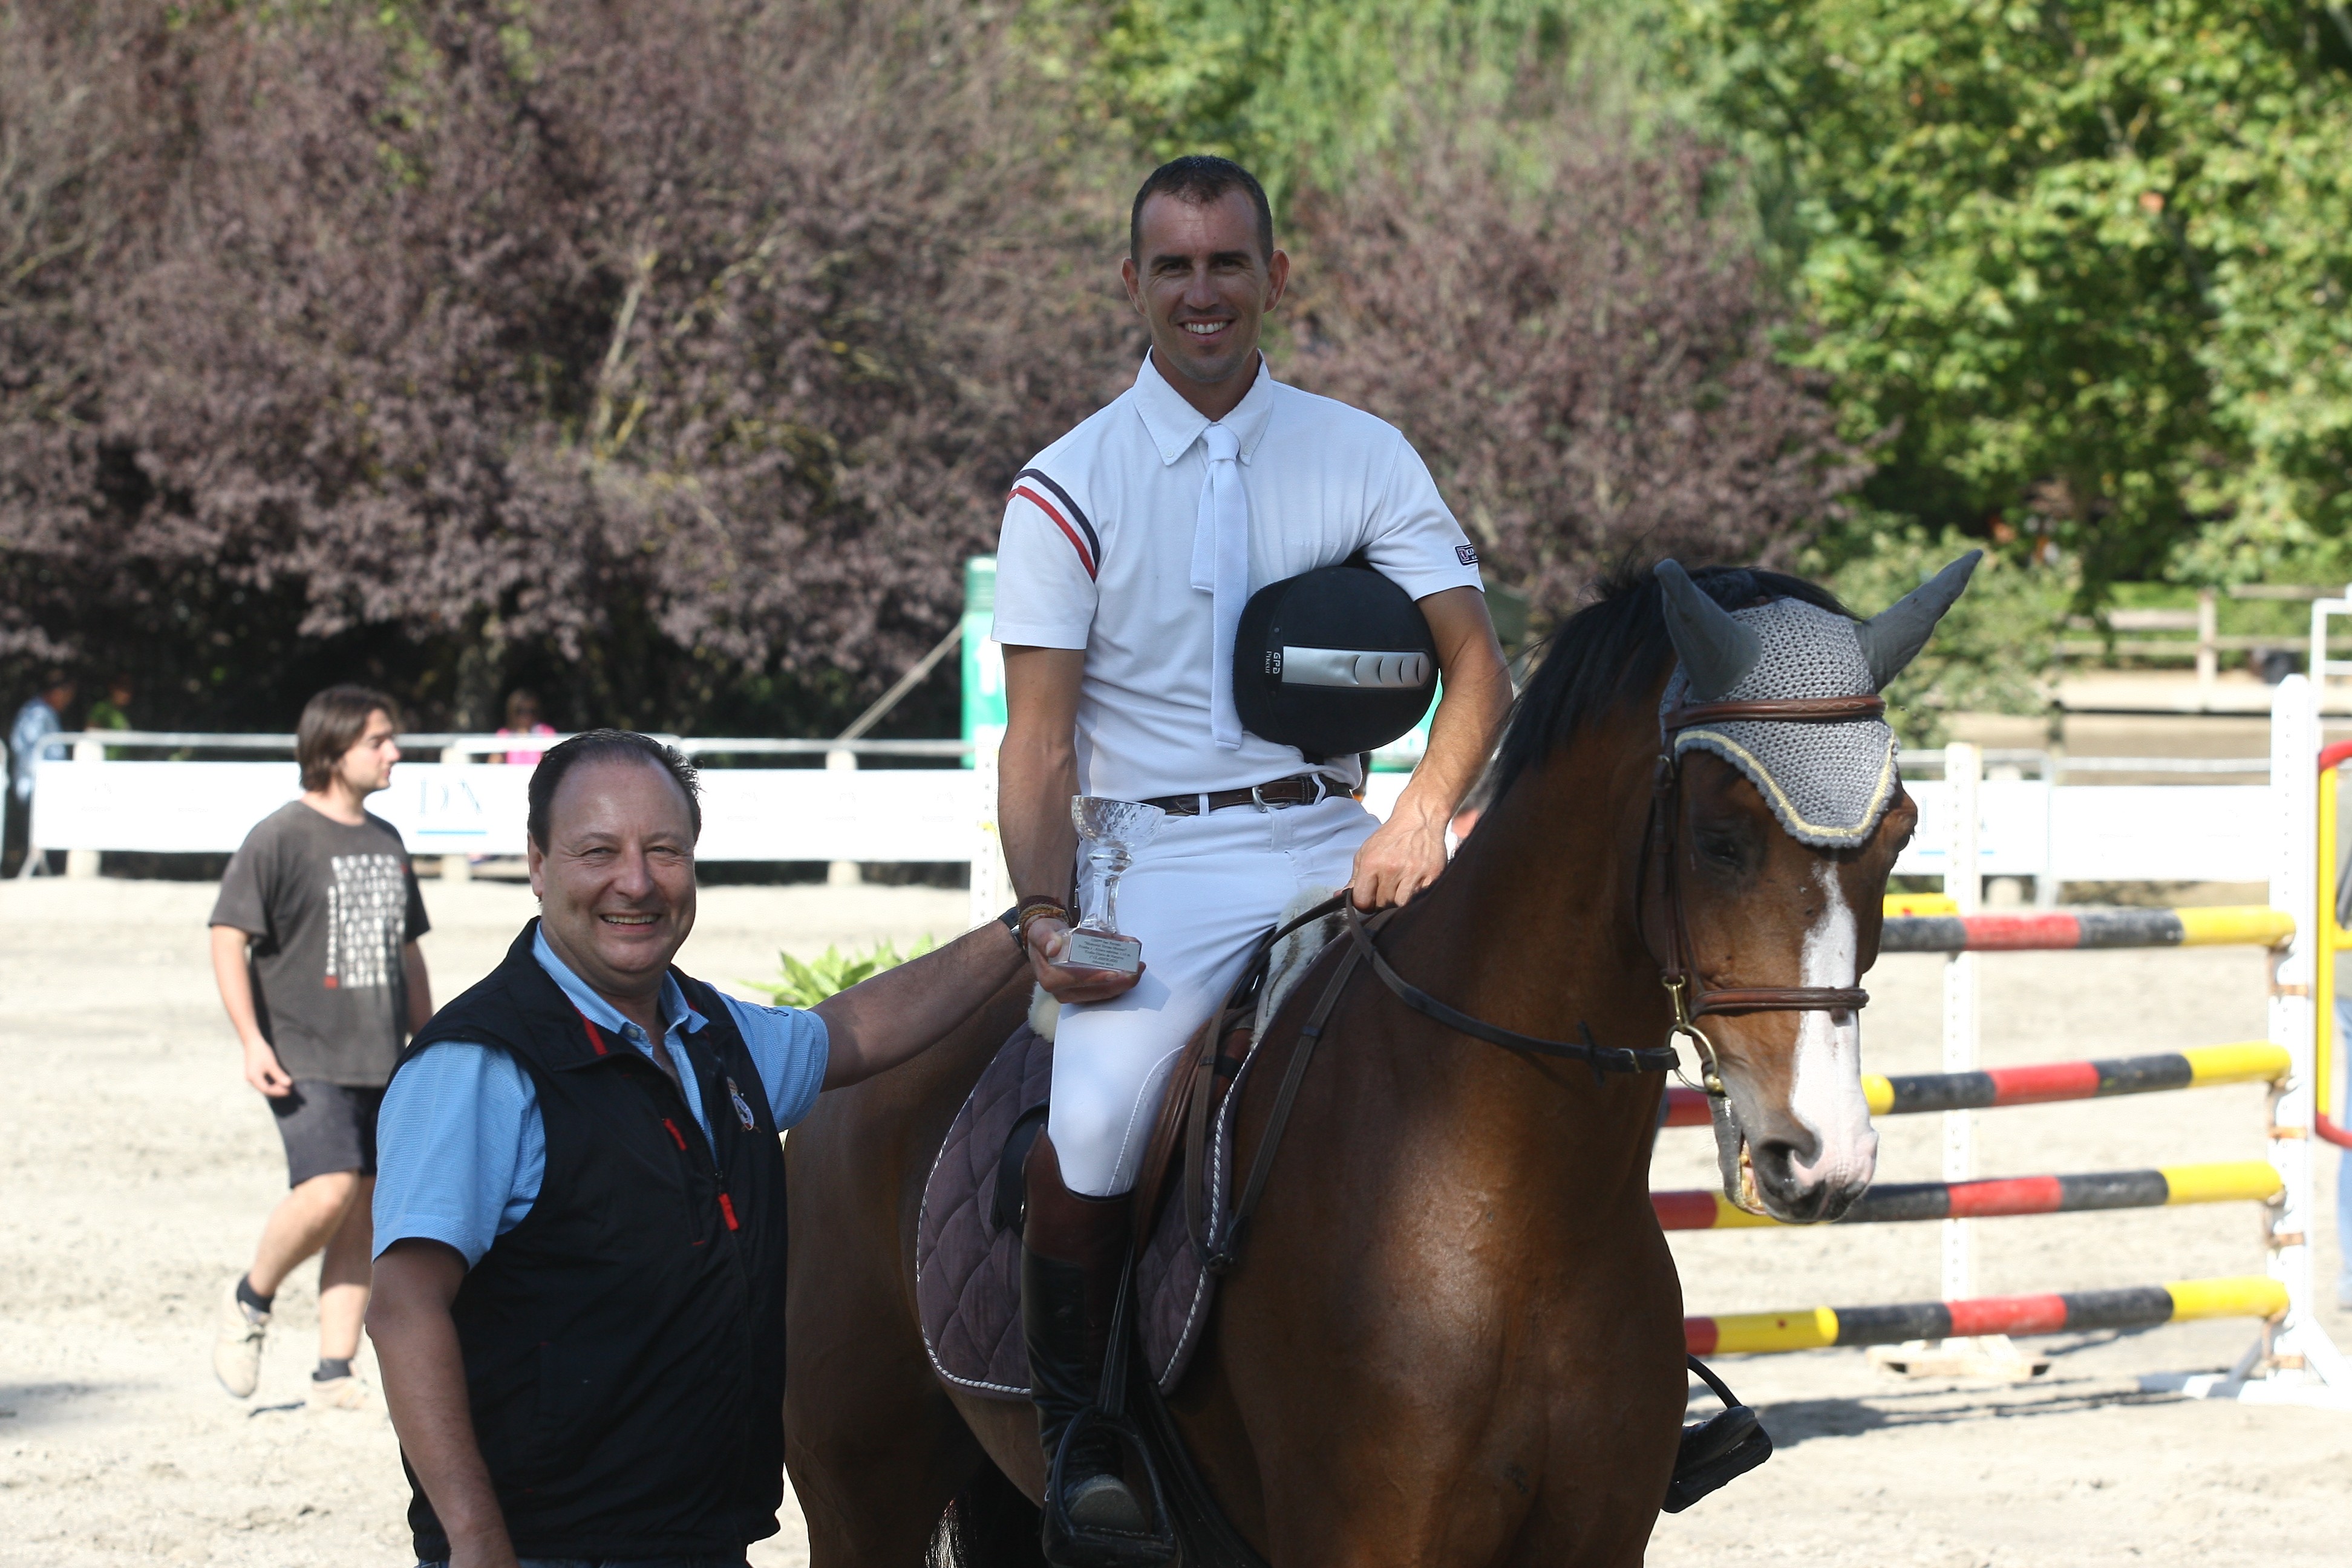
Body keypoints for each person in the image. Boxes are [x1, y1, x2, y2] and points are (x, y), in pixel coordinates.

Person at [991, 155, 1513, 1534]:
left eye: (1228, 262)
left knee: (1509, 1035)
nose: (1202, 290)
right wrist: (1043, 911)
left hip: (1337, 835)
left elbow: (1479, 675)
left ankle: (1597, 1362)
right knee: (1093, 1122)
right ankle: (1084, 1440)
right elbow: (1038, 743)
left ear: (1274, 276)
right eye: (1173, 266)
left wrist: (1415, 812)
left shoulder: (1361, 451)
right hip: (1148, 866)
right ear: (1131, 284)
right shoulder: (1064, 485)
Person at [366, 729, 1028, 1568]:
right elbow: (403, 1309)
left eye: (664, 851)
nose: (636, 882)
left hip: (702, 1541)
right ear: (537, 864)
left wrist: (1023, 929)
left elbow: (856, 1030)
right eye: (598, 851)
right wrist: (476, 1540)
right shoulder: (479, 1066)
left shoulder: (713, 1037)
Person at [208, 685, 433, 1410]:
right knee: (328, 1188)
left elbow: (408, 952)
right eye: (379, 741)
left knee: (363, 1208)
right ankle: (250, 1299)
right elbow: (227, 937)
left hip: (381, 1057)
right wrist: (250, 1041)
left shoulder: (388, 840)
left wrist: (429, 1041)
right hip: (306, 1054)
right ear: (334, 750)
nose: (393, 752)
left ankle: (333, 1370)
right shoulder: (279, 836)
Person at [8, 671, 76, 871]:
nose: (68, 701)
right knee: (38, 837)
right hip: (37, 787)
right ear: (56, 692)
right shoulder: (37, 714)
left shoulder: (44, 713)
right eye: (67, 695)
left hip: (43, 786)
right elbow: (27, 751)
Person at [493, 688, 554, 766]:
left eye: (532, 711)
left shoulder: (546, 732)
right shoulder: (504, 734)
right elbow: (494, 763)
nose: (527, 716)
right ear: (512, 711)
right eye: (521, 711)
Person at [85, 675, 134, 761]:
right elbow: (90, 731)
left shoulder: (123, 712)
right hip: (106, 762)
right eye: (123, 690)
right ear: (113, 689)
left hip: (123, 762)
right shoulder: (101, 708)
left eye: (129, 691)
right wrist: (116, 736)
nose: (127, 695)